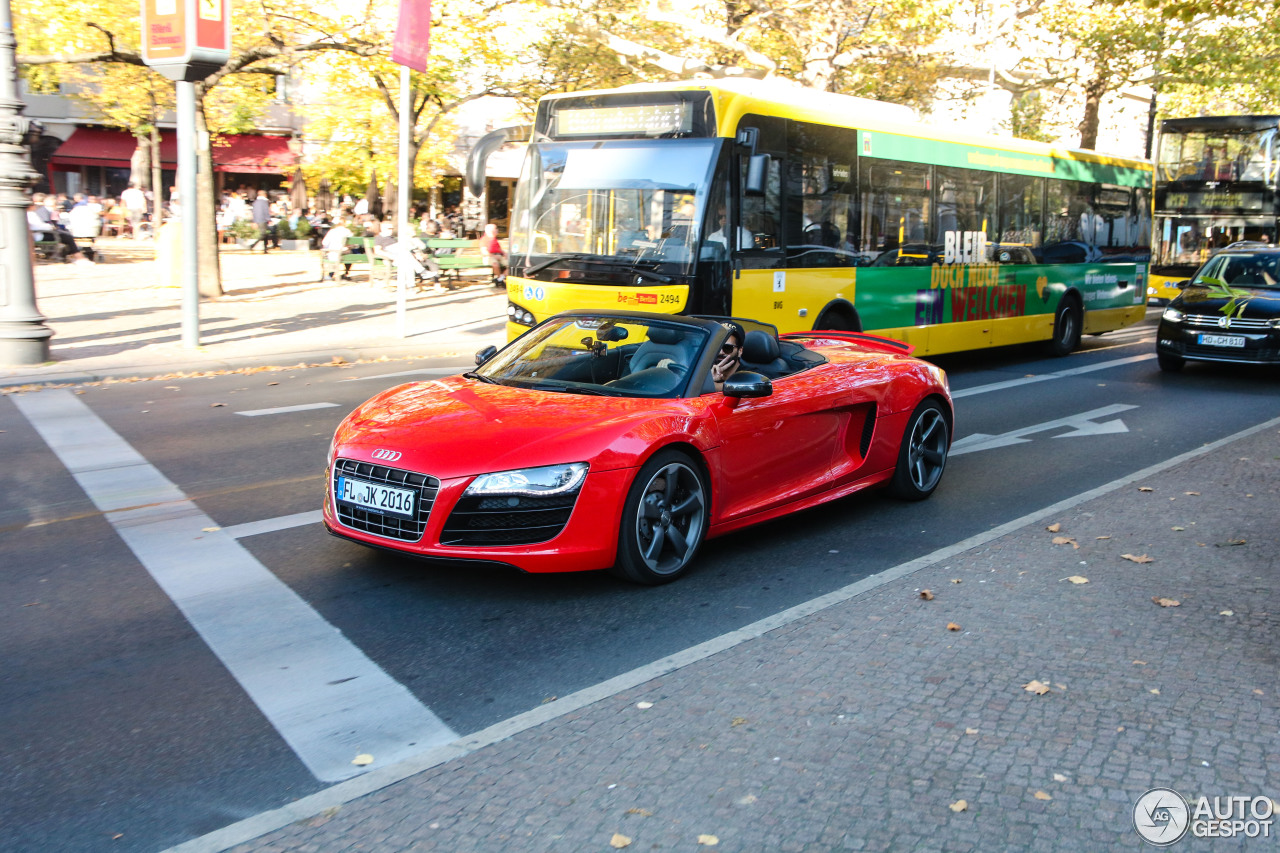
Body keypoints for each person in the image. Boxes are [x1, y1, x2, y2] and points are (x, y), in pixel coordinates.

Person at [28, 195, 91, 265]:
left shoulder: (32, 213)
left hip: (41, 233)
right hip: (40, 235)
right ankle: (79, 257)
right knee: (68, 237)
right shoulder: (31, 214)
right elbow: (37, 226)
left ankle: (77, 256)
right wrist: (50, 227)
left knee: (67, 235)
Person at [711, 322, 745, 391]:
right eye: (717, 346)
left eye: (727, 348)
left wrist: (708, 384)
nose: (720, 352)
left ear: (740, 351)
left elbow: (740, 388)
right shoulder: (703, 370)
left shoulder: (749, 375)